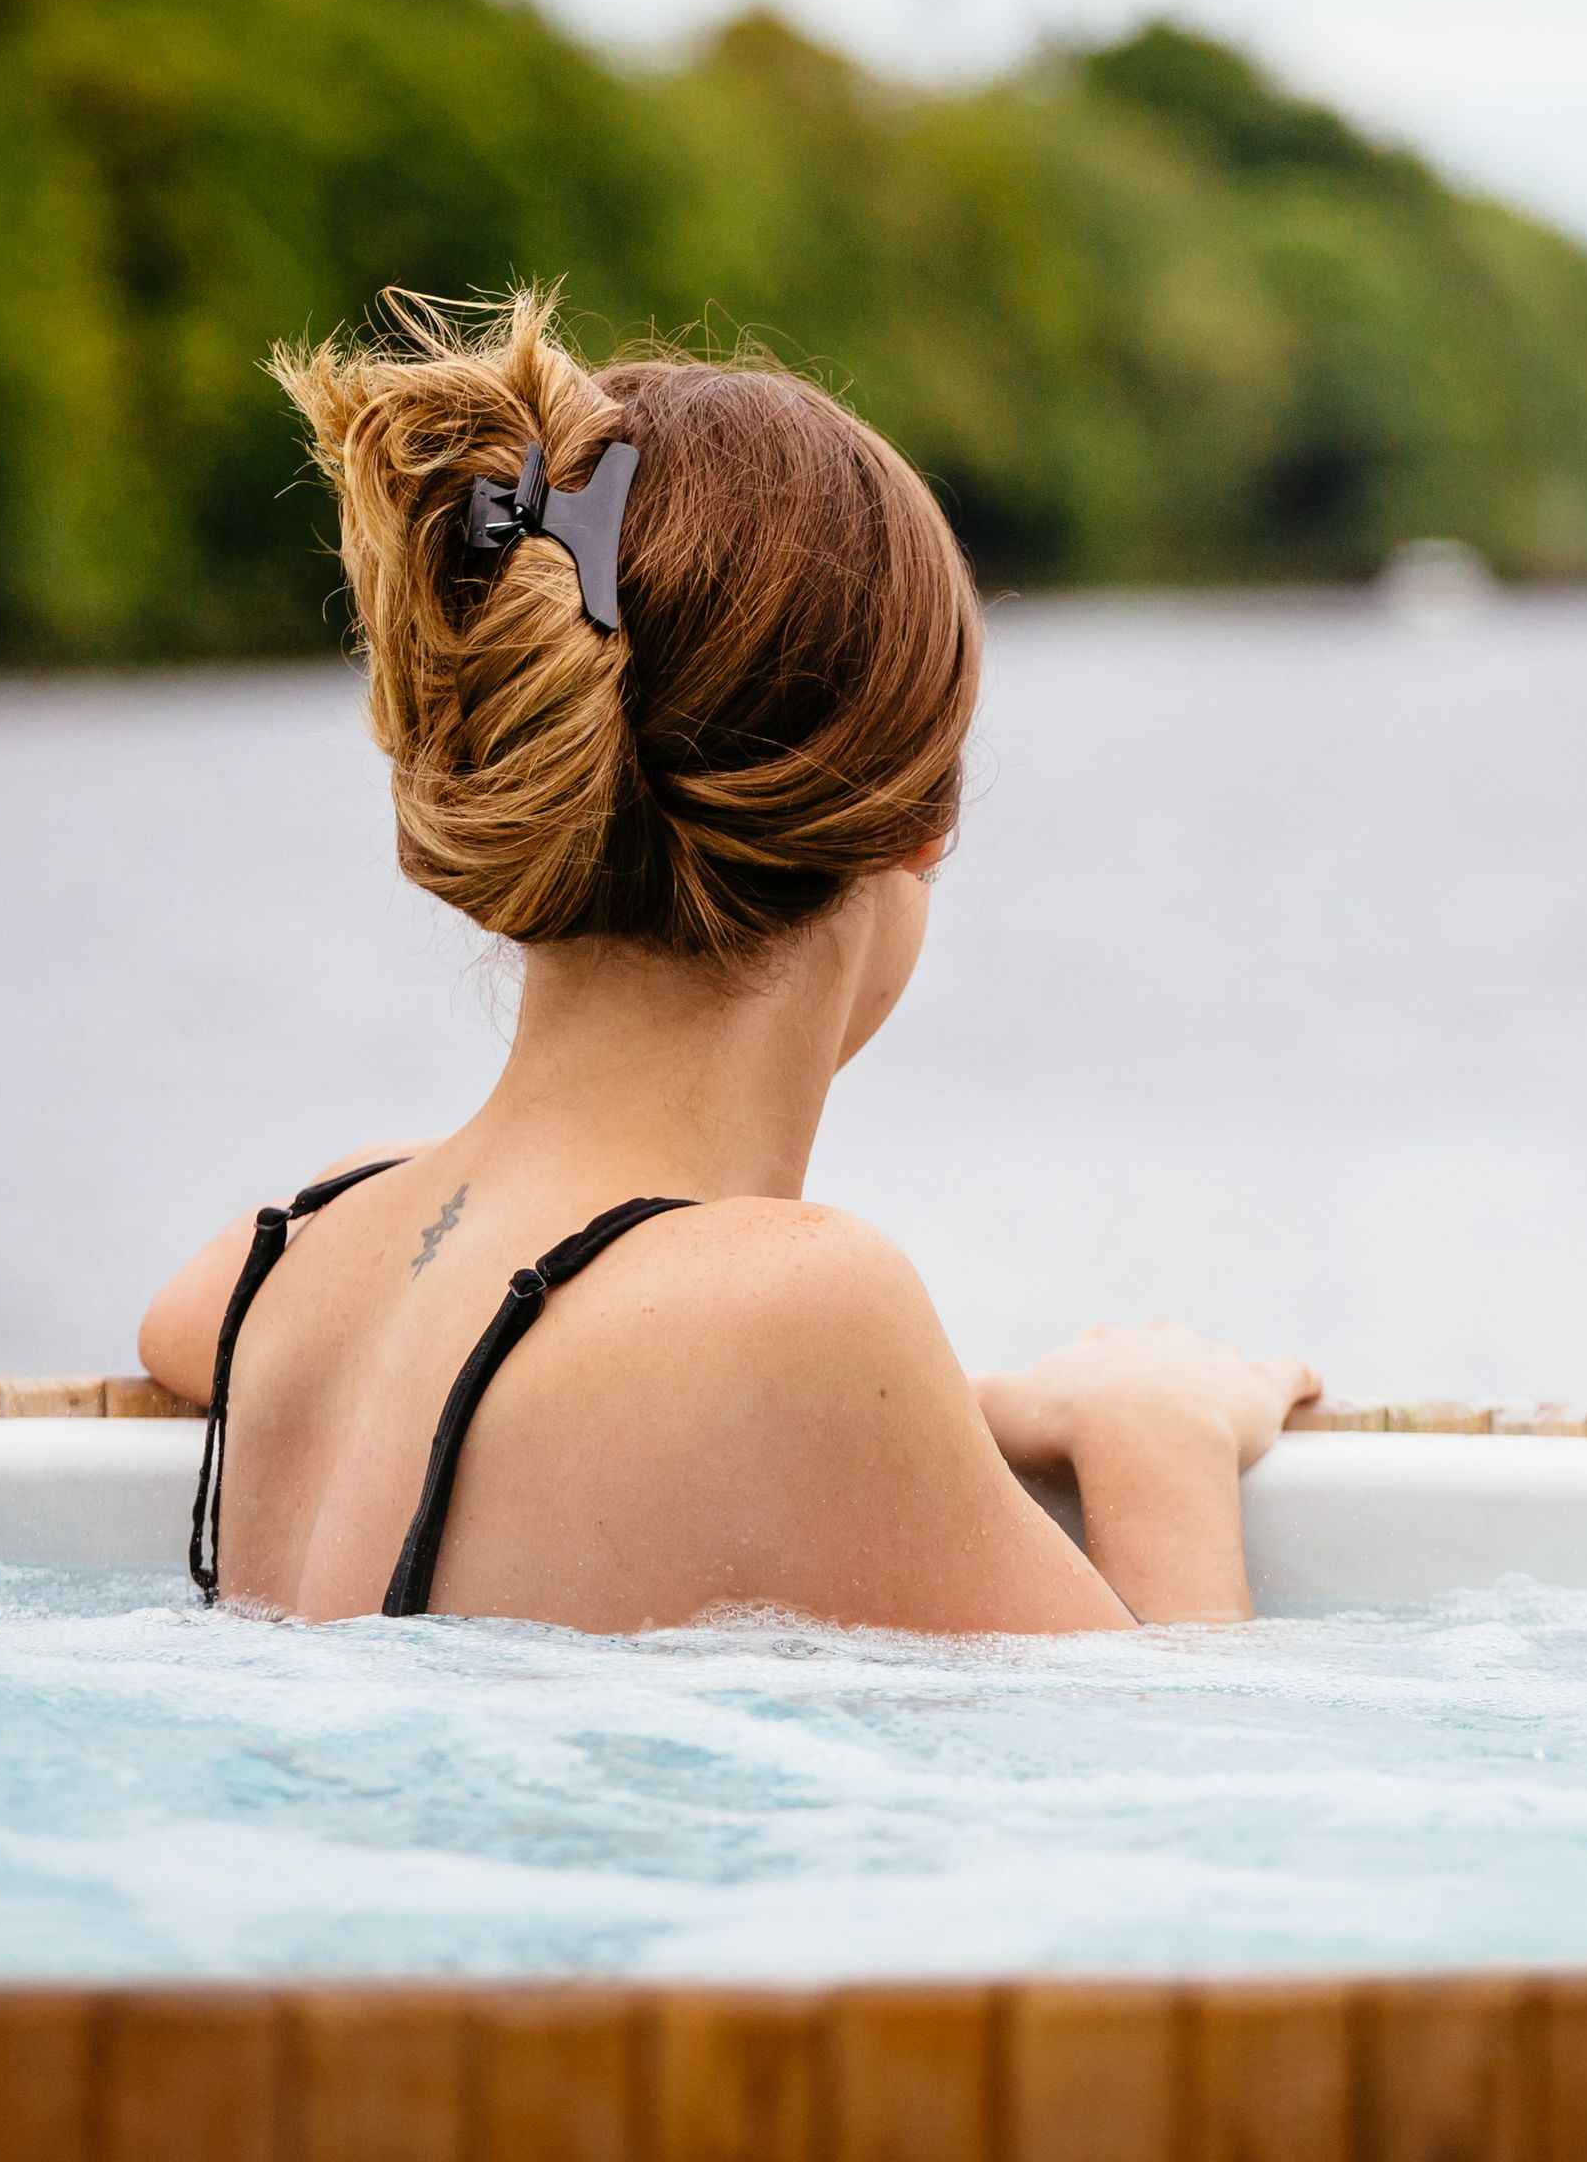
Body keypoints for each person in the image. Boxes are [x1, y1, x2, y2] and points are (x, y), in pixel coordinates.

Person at [137, 291, 1317, 1633]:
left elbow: (184, 1328)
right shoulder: (805, 1308)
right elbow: (1177, 1787)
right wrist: (1153, 1434)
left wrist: (944, 1418)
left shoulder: (293, 1253)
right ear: (920, 823)